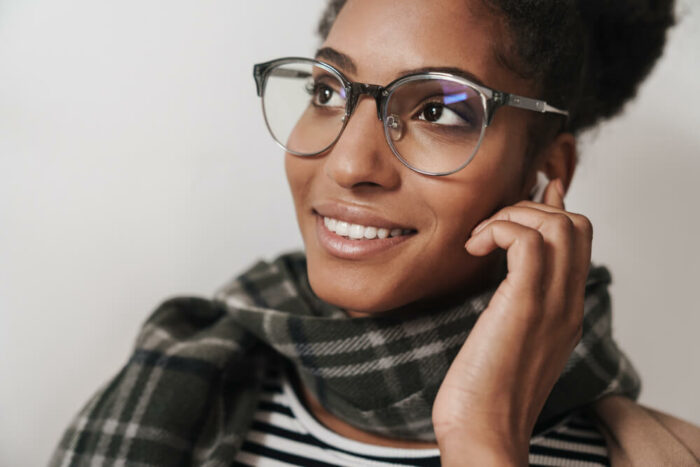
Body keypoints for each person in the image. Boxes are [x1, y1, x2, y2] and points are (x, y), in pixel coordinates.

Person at [50, 0, 700, 466]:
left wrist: (481, 435)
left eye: (438, 108)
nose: (349, 163)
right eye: (327, 91)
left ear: (545, 174)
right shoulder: (181, 379)